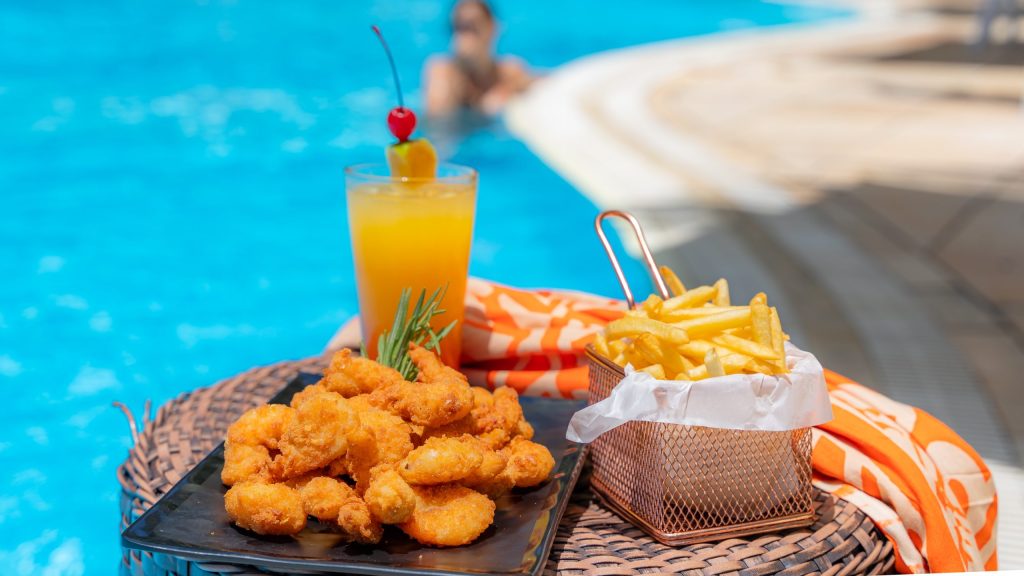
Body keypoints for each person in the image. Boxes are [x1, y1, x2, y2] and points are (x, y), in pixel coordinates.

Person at [424, 0, 534, 117]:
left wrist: (505, 92)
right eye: (459, 27)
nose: (465, 36)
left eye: (472, 27)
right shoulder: (442, 70)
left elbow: (543, 83)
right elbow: (438, 117)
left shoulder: (509, 70)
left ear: (493, 28)